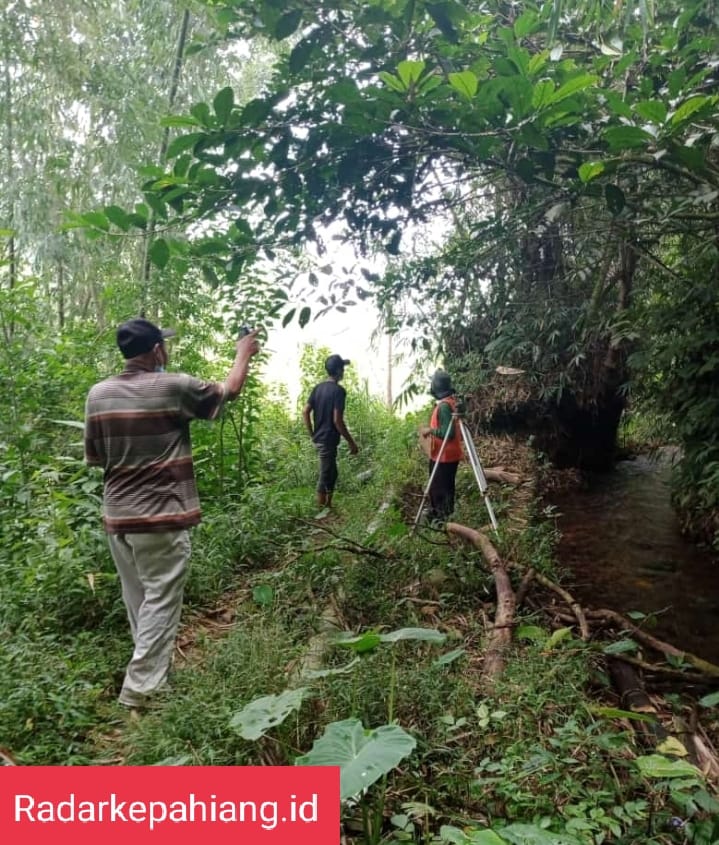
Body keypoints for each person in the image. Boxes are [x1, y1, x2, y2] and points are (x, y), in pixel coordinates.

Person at [84, 317, 260, 709]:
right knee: (161, 599)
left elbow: (96, 457)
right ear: (155, 351)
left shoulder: (98, 394)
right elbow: (229, 390)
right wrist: (242, 353)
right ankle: (140, 691)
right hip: (160, 516)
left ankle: (153, 678)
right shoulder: (172, 386)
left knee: (140, 600)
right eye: (163, 345)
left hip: (118, 518)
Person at [302, 354, 359, 508]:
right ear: (339, 371)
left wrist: (312, 434)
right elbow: (337, 420)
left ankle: (328, 506)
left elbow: (305, 411)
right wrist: (351, 443)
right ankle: (320, 511)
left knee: (332, 472)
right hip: (327, 439)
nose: (344, 372)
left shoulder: (317, 388)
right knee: (326, 473)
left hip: (322, 438)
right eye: (343, 369)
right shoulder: (338, 391)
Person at [420, 370, 463, 522]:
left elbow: (448, 433)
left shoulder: (444, 407)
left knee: (438, 487)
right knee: (445, 486)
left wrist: (430, 430)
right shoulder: (450, 402)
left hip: (443, 456)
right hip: (447, 454)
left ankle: (440, 517)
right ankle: (444, 514)